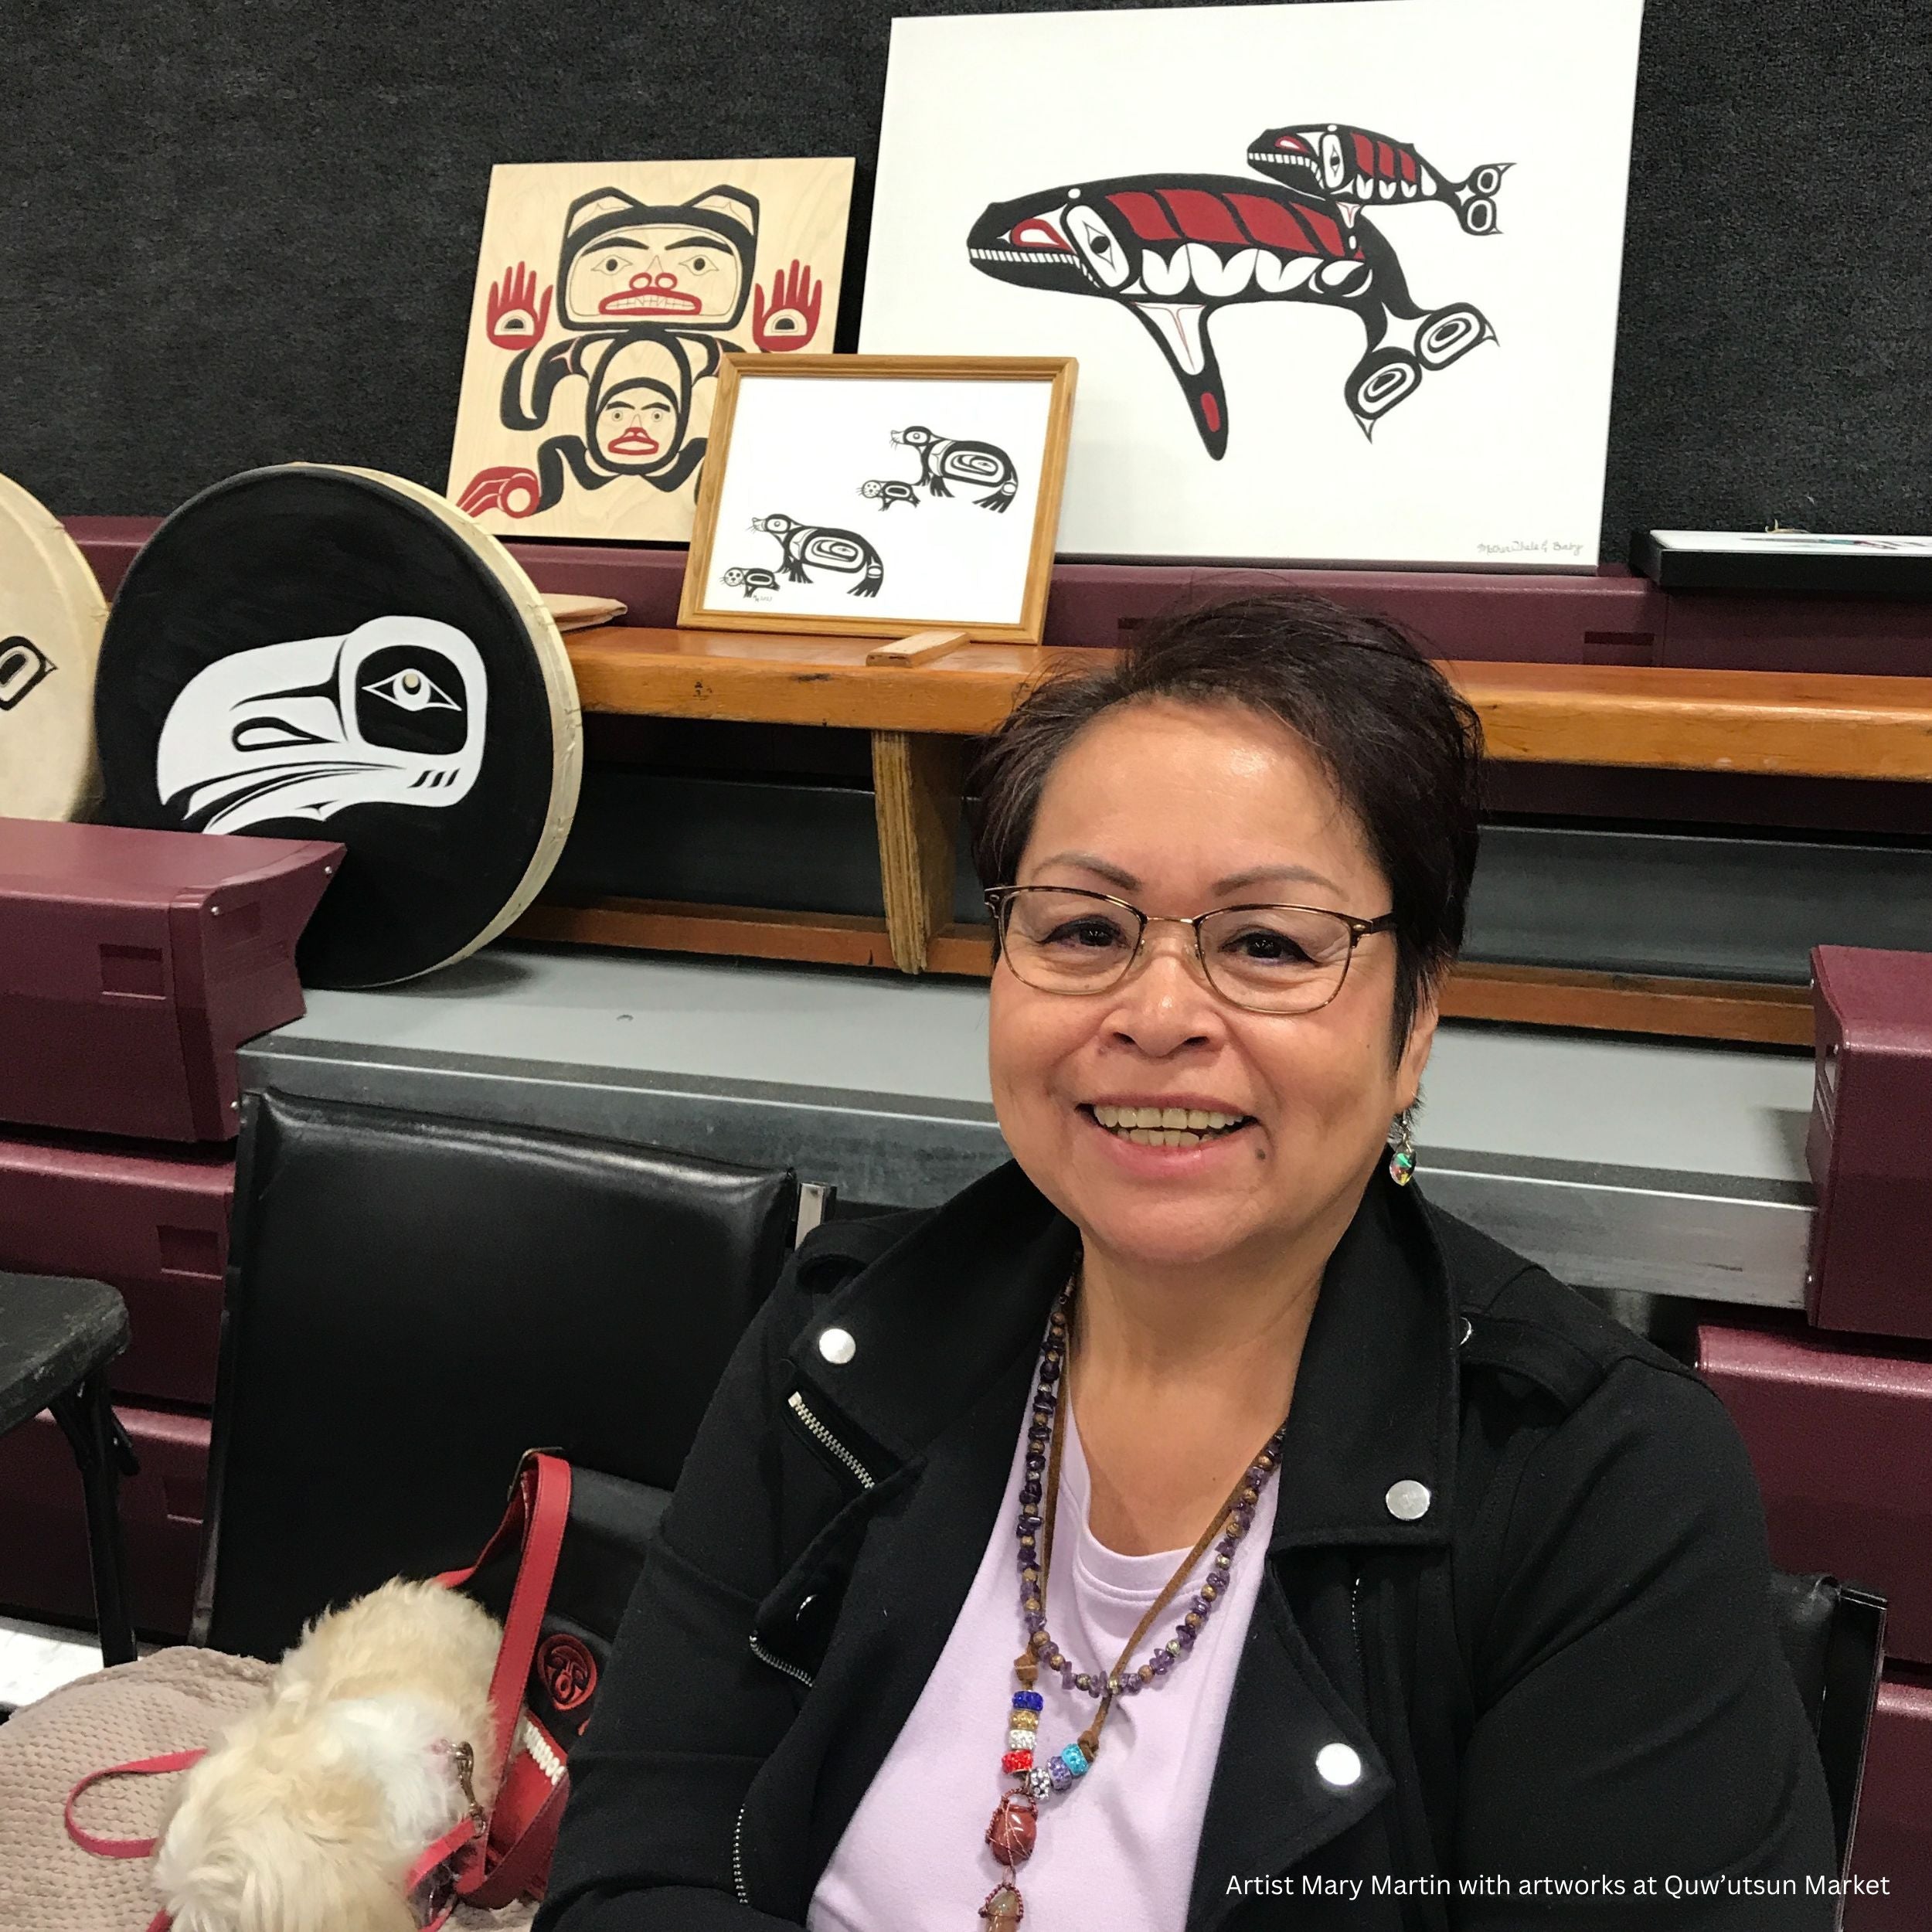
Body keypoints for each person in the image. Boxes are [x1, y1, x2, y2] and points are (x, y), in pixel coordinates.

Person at [536, 594, 1837, 1930]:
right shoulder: (840, 1352)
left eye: (1267, 944)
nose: (1157, 1015)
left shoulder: (1596, 1484)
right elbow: (629, 1878)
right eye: (1084, 931)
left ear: (1415, 1022)